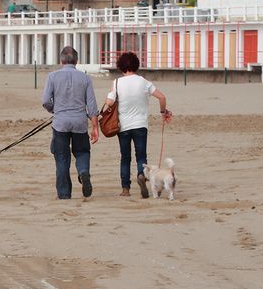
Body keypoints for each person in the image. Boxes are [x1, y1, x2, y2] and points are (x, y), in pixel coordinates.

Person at [101, 52, 173, 197]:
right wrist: (163, 111)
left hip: (123, 127)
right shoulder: (143, 82)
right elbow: (162, 97)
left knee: (125, 157)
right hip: (141, 125)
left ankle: (125, 189)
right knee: (141, 156)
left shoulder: (116, 83)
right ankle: (141, 175)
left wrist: (102, 112)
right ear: (136, 65)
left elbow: (109, 103)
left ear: (121, 66)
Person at [41, 46, 99, 199]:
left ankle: (64, 193)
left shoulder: (52, 77)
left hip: (60, 122)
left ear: (61, 61)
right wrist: (95, 127)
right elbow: (92, 105)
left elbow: (46, 100)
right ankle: (83, 172)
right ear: (77, 61)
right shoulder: (85, 78)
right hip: (80, 121)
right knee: (82, 152)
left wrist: (54, 110)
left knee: (61, 157)